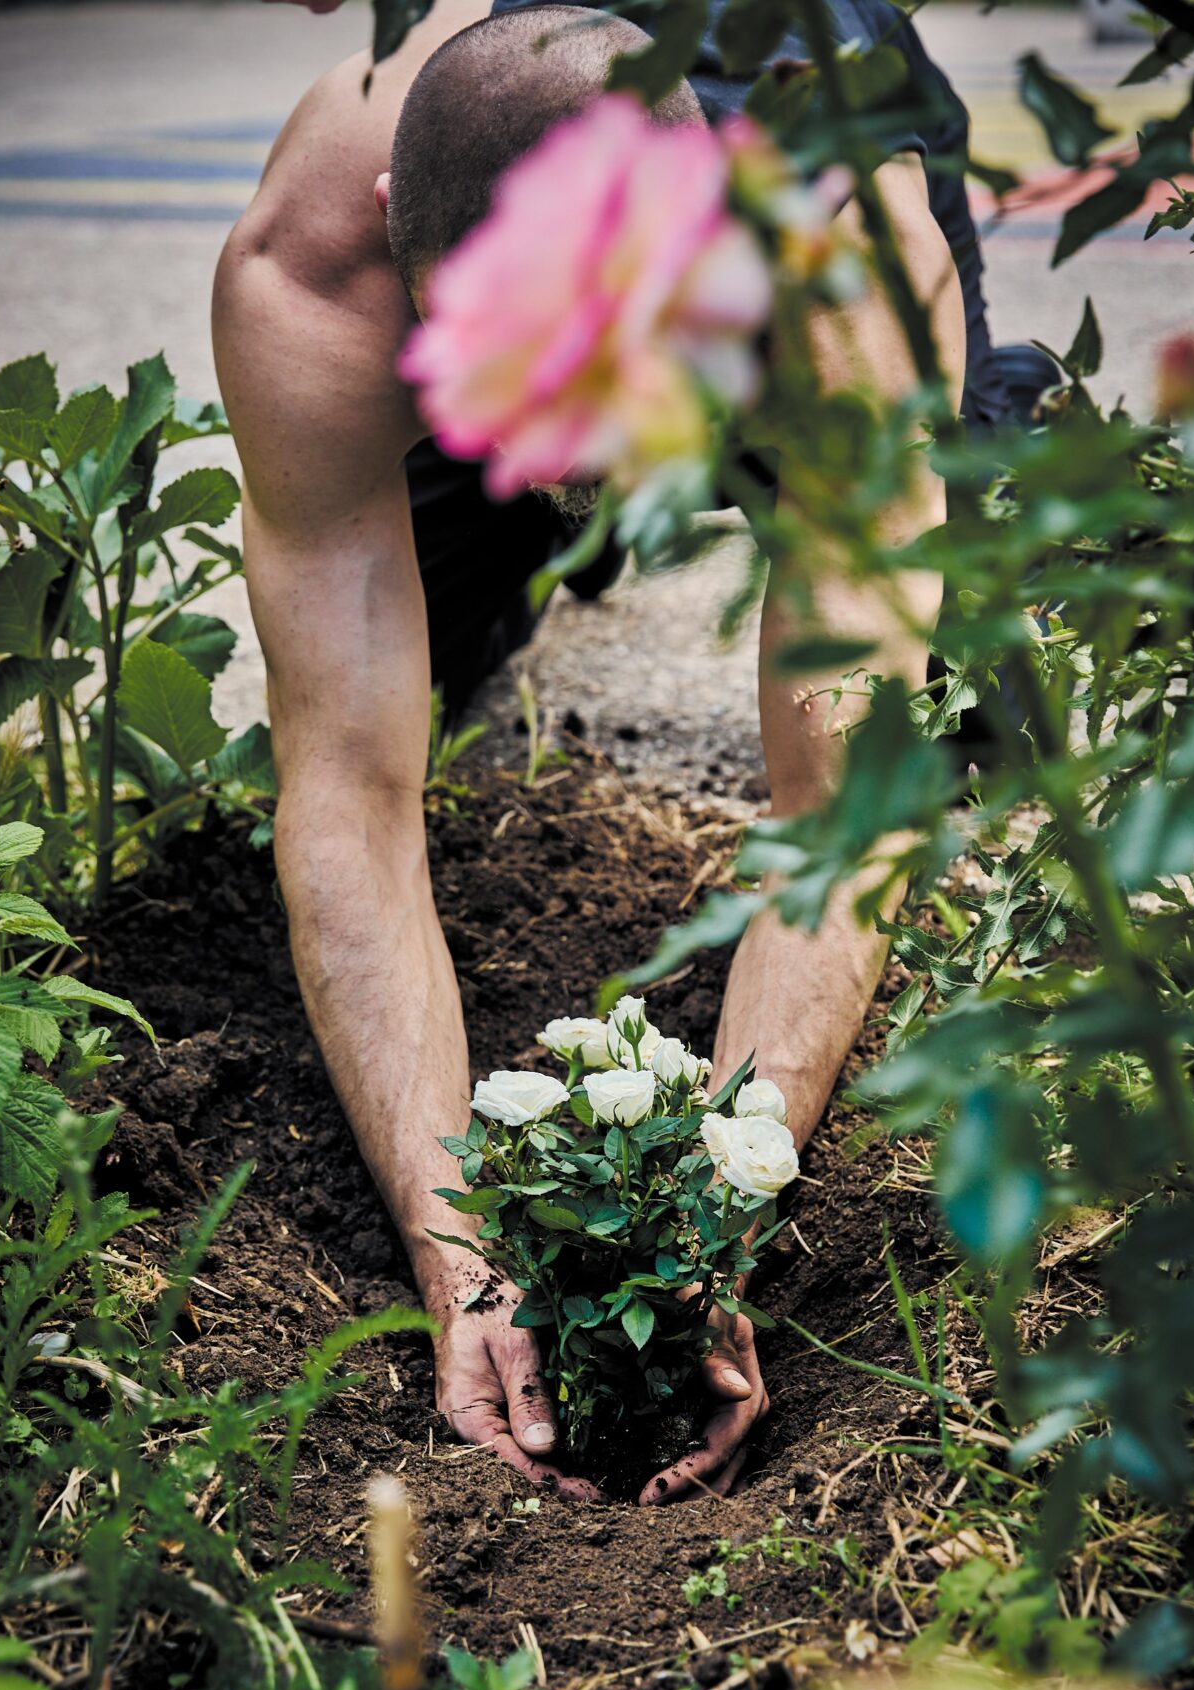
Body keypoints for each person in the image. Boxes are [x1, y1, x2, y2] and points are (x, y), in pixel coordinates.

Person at [217, 0, 983, 1503]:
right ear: (394, 231)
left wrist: (718, 1213)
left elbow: (841, 811)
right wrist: (458, 1261)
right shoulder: (310, 273)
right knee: (416, 647)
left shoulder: (847, 274)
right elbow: (350, 795)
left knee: (955, 688)